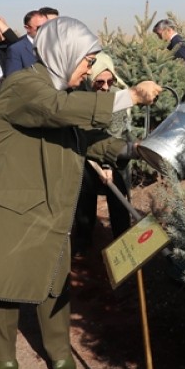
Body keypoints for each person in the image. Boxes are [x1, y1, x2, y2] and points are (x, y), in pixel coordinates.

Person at [0, 16, 161, 369]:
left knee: (54, 282)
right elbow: (53, 110)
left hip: (50, 203)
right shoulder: (22, 86)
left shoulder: (65, 97)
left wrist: (133, 149)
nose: (88, 69)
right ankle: (3, 355)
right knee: (0, 285)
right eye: (86, 61)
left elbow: (87, 137)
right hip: (7, 203)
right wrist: (130, 96)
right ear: (64, 52)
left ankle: (57, 350)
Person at [72, 51, 134, 256]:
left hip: (115, 156)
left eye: (110, 81)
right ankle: (83, 241)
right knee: (85, 198)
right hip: (86, 156)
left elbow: (114, 136)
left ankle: (123, 244)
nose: (105, 87)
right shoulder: (80, 95)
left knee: (118, 201)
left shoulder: (117, 98)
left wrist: (107, 167)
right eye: (100, 82)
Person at [4, 9, 48, 75]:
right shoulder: (16, 49)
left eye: (47, 26)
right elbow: (14, 78)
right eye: (40, 28)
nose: (44, 30)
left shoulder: (55, 45)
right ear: (27, 28)